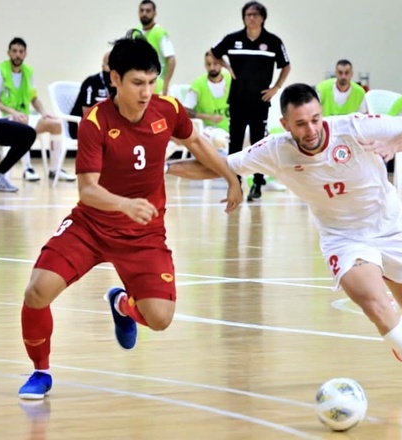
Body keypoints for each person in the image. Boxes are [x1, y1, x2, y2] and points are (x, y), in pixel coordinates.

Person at [168, 83, 402, 413]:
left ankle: (398, 333)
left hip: (388, 226)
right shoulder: (274, 150)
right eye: (300, 124)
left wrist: (393, 145)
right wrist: (163, 169)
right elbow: (218, 165)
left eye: (315, 119)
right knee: (376, 305)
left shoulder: (354, 127)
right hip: (343, 238)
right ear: (285, 125)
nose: (311, 130)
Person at [16, 37, 242, 400]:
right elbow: (87, 190)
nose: (146, 91)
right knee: (37, 291)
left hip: (143, 234)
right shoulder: (96, 121)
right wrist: (124, 204)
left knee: (160, 319)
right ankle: (41, 371)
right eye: (138, 82)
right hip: (91, 226)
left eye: (152, 82)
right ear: (116, 78)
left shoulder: (168, 109)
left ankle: (121, 303)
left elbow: (197, 144)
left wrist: (231, 177)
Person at [210, 1, 291, 202]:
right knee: (235, 143)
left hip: (260, 101)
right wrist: (227, 68)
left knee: (259, 143)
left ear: (262, 18)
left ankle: (257, 182)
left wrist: (276, 88)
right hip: (237, 100)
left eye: (255, 14)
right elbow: (214, 53)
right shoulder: (233, 39)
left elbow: (286, 66)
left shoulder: (272, 41)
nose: (251, 18)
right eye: (248, 14)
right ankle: (234, 181)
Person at [0, 37, 75, 182]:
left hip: (23, 115)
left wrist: (44, 113)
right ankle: (27, 168)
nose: (17, 55)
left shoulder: (28, 71)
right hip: (4, 117)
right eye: (14, 51)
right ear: (8, 53)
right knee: (23, 126)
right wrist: (12, 112)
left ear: (25, 54)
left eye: (21, 51)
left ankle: (55, 170)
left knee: (55, 124)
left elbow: (34, 98)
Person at [182, 51, 231, 153]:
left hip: (231, 126)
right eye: (208, 64)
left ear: (222, 64)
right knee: (219, 139)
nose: (212, 68)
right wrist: (209, 117)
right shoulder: (198, 84)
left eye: (215, 64)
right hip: (208, 128)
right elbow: (185, 111)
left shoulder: (230, 79)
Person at [69, 51, 116, 139]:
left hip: (109, 126)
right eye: (108, 64)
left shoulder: (118, 84)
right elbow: (87, 112)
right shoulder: (92, 82)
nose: (111, 68)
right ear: (102, 66)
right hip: (83, 125)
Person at [136, 0, 176, 95]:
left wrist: (165, 84)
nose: (144, 13)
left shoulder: (160, 33)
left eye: (148, 11)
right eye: (142, 10)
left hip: (157, 86)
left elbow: (171, 60)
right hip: (140, 85)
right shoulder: (136, 32)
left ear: (155, 12)